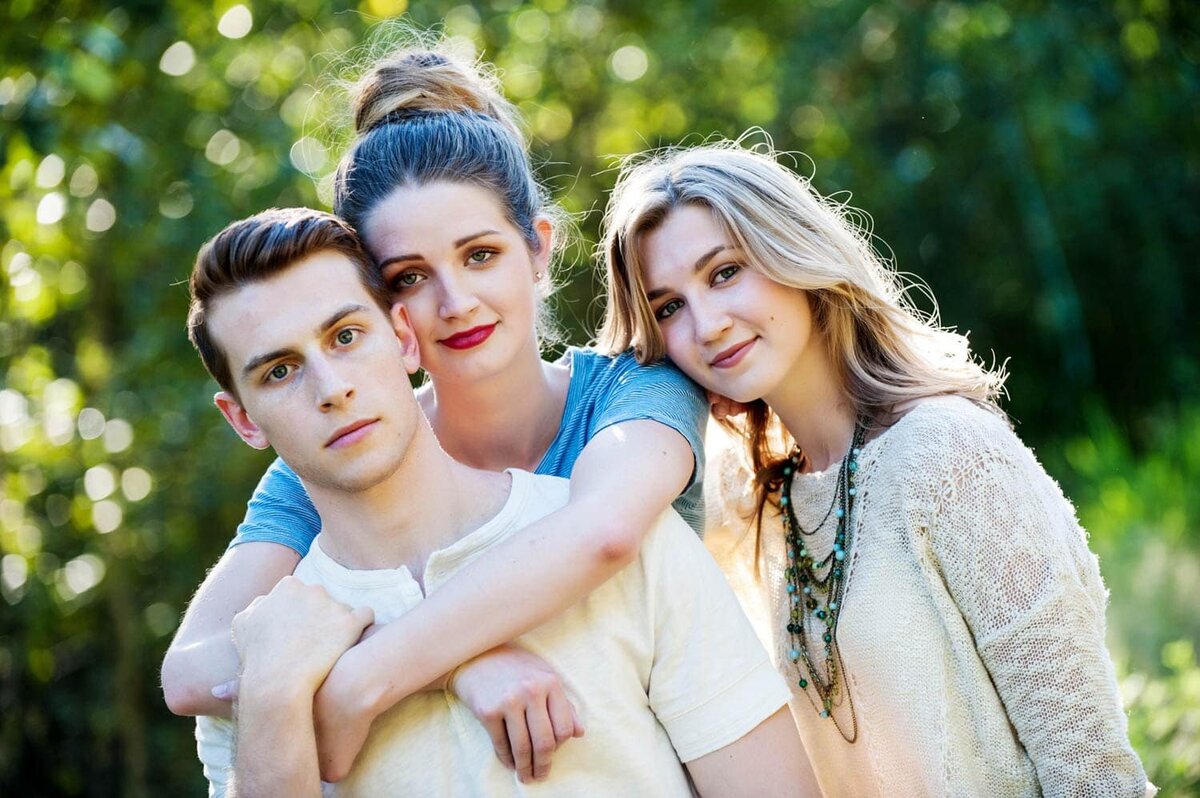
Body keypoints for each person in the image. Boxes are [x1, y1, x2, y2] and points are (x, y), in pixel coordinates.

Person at [161, 45, 711, 781]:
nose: (456, 304)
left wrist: (362, 678)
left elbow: (605, 534)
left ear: (539, 249)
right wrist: (459, 662)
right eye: (411, 276)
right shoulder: (349, 456)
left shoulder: (632, 395)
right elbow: (190, 673)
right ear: (383, 312)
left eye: (480, 255)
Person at [184, 207, 816, 796]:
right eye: (279, 372)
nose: (331, 388)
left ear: (405, 338)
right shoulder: (267, 653)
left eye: (346, 337)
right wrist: (273, 692)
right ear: (243, 420)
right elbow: (186, 675)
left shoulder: (626, 536)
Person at [597, 139, 1154, 797]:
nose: (708, 324)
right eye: (669, 308)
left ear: (791, 250)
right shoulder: (755, 504)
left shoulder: (950, 456)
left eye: (724, 273)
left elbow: (1091, 770)